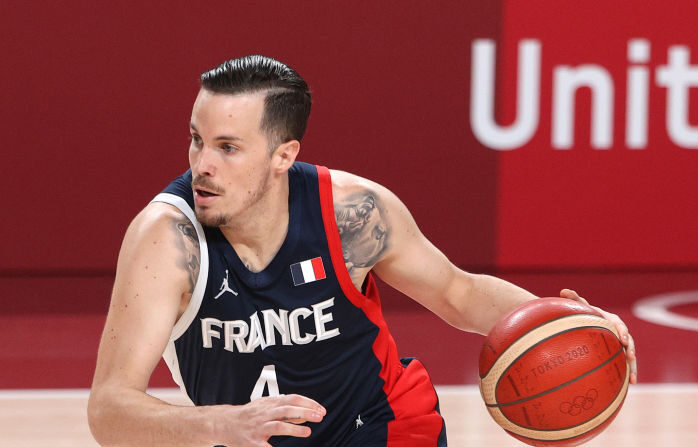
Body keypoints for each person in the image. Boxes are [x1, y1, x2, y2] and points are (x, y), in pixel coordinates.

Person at [87, 55, 637, 447]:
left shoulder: (353, 213)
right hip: (241, 439)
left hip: (383, 425)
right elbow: (109, 410)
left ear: (284, 155)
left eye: (228, 147)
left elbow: (457, 291)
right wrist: (221, 425)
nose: (201, 164)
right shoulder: (166, 240)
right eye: (196, 139)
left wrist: (569, 324)